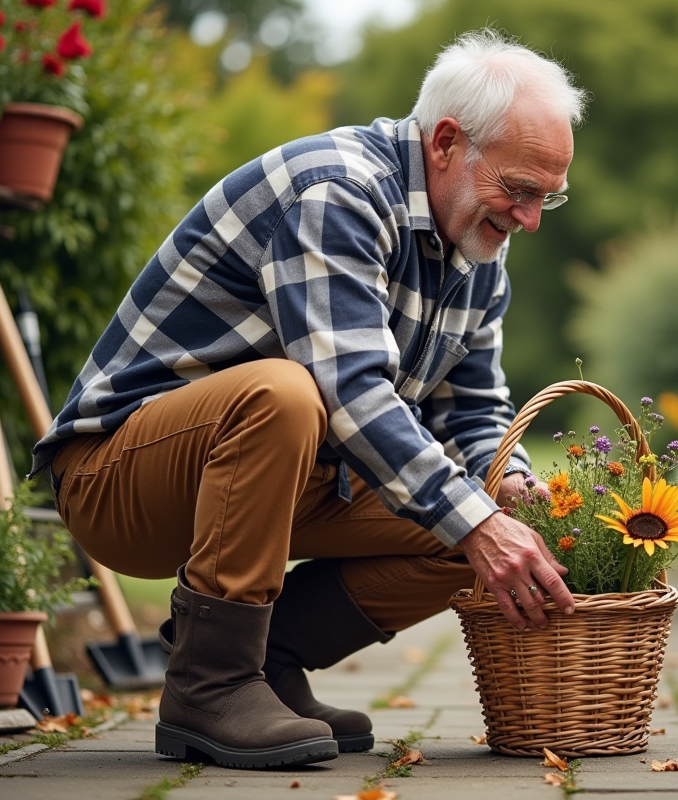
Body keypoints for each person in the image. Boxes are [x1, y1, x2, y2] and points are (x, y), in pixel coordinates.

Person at [30, 29, 587, 770]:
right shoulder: (340, 189)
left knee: (491, 523)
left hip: (281, 483)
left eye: (547, 197)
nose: (529, 218)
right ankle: (210, 681)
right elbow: (349, 390)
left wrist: (509, 492)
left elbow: (473, 414)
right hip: (122, 481)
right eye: (519, 190)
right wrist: (476, 521)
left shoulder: (479, 253)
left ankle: (269, 664)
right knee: (288, 393)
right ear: (447, 141)